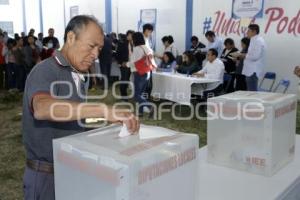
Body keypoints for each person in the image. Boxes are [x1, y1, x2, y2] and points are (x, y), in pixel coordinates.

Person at [22, 15, 139, 200]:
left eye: (99, 49)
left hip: (71, 169)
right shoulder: (46, 70)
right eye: (91, 46)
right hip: (47, 176)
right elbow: (42, 108)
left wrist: (108, 121)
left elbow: (77, 116)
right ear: (71, 38)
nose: (95, 54)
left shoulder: (77, 75)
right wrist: (101, 109)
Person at [129, 32, 157, 117]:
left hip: (139, 73)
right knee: (140, 94)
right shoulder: (146, 47)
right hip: (147, 72)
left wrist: (125, 64)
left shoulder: (137, 48)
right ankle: (140, 112)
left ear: (135, 39)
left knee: (136, 95)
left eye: (133, 38)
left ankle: (150, 106)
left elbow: (133, 63)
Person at [242, 24, 266, 91]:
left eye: (249, 31)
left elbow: (255, 56)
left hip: (253, 71)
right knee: (250, 91)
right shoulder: (254, 40)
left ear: (254, 31)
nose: (247, 33)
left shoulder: (258, 41)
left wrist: (244, 55)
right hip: (250, 70)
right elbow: (252, 54)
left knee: (251, 92)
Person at [116, 30, 135, 101]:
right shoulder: (122, 43)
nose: (131, 36)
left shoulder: (133, 44)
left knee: (127, 80)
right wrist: (120, 63)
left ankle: (125, 95)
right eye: (130, 35)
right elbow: (117, 54)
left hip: (131, 65)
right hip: (124, 65)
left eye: (132, 35)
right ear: (127, 35)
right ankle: (123, 96)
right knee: (124, 79)